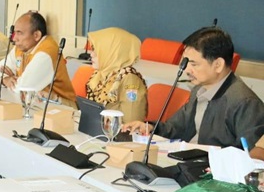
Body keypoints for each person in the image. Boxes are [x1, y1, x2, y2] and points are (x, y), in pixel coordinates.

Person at [122, 27, 264, 147]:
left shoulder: (245, 103)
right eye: (186, 62)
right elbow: (176, 127)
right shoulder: (200, 89)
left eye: (194, 64)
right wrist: (150, 127)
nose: (187, 69)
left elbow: (250, 157)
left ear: (218, 65)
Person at [0, 11, 76, 108]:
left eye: (19, 33)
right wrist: (4, 79)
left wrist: (15, 81)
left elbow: (24, 88)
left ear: (36, 35)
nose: (14, 38)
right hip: (36, 106)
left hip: (63, 109)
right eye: (14, 33)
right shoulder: (21, 47)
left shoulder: (47, 51)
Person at [85, 27, 148, 122]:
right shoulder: (100, 74)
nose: (92, 54)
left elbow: (131, 122)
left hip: (115, 134)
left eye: (96, 50)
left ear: (113, 52)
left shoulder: (129, 79)